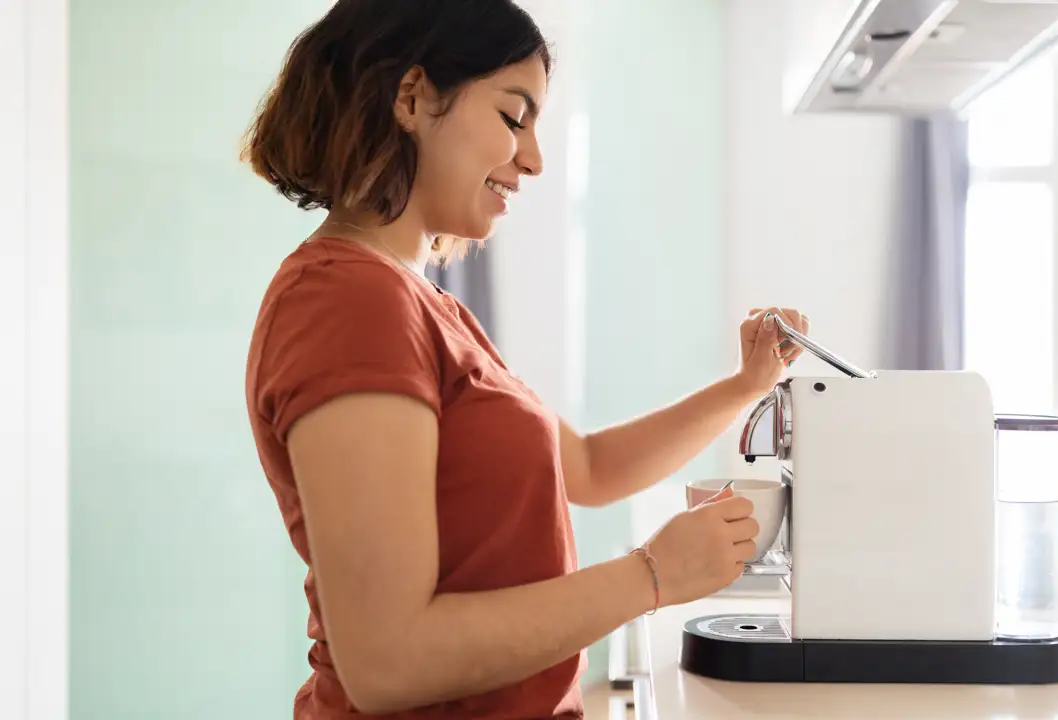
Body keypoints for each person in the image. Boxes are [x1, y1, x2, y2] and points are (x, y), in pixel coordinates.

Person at [241, 1, 809, 718]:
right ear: (412, 98)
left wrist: (745, 386)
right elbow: (388, 660)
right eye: (515, 118)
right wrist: (653, 575)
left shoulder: (421, 305)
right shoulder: (350, 302)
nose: (534, 160)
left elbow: (591, 470)